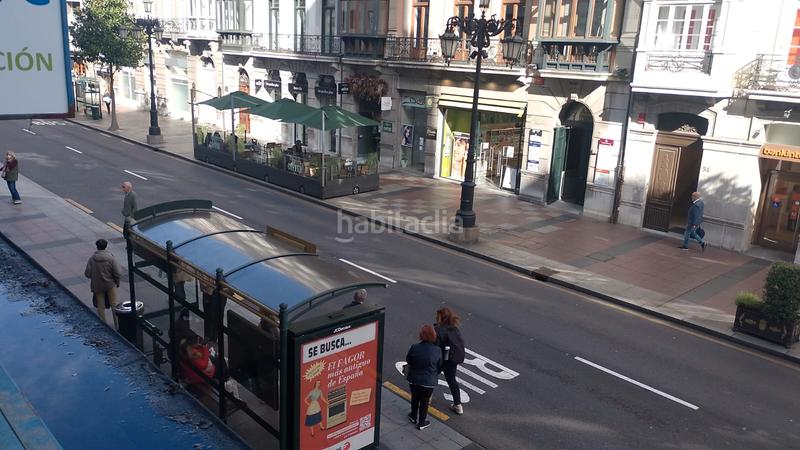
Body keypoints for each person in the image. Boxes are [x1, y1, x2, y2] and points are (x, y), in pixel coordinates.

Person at [405, 324, 442, 430]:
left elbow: (409, 360)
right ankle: (422, 422)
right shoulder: (437, 350)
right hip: (429, 382)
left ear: (421, 335)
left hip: (414, 379)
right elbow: (439, 366)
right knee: (425, 401)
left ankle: (413, 415)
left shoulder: (414, 347)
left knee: (415, 397)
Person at [84, 239, 122, 328]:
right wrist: (117, 282)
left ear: (97, 247)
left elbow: (87, 274)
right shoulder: (111, 258)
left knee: (100, 306)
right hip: (110, 285)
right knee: (113, 305)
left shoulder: (92, 259)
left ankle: (104, 326)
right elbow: (117, 272)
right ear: (106, 246)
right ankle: (117, 326)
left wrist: (95, 277)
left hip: (97, 285)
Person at [434, 307, 466, 415]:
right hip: (452, 359)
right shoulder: (455, 328)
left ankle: (426, 398)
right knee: (452, 380)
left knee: (432, 375)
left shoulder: (438, 330)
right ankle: (458, 405)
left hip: (443, 359)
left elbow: (436, 347)